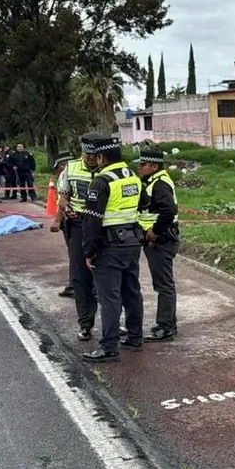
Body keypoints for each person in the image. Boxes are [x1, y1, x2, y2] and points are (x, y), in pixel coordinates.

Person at [79, 133, 145, 361]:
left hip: (109, 247)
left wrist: (89, 252)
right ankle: (135, 337)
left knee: (109, 298)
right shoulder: (133, 176)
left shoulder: (102, 182)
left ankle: (109, 347)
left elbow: (92, 220)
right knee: (132, 292)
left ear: (101, 157)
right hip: (132, 243)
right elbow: (144, 203)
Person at [135, 148, 179, 341]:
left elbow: (168, 211)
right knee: (162, 283)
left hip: (161, 240)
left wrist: (155, 231)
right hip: (159, 240)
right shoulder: (155, 181)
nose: (139, 168)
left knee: (163, 284)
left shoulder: (159, 184)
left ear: (154, 166)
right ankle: (168, 323)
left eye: (142, 165)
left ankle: (165, 327)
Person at [61, 143, 102, 335]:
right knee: (81, 276)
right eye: (88, 155)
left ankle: (114, 322)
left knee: (109, 277)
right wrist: (66, 208)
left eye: (95, 155)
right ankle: (85, 324)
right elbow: (63, 197)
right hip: (79, 224)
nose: (92, 158)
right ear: (82, 153)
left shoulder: (108, 169)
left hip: (103, 226)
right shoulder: (71, 168)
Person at [50, 154, 77, 298]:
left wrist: (57, 220)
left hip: (70, 219)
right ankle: (75, 285)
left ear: (61, 165)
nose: (56, 172)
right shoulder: (80, 173)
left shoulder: (65, 175)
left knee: (75, 254)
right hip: (80, 219)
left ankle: (75, 286)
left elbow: (63, 200)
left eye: (56, 169)